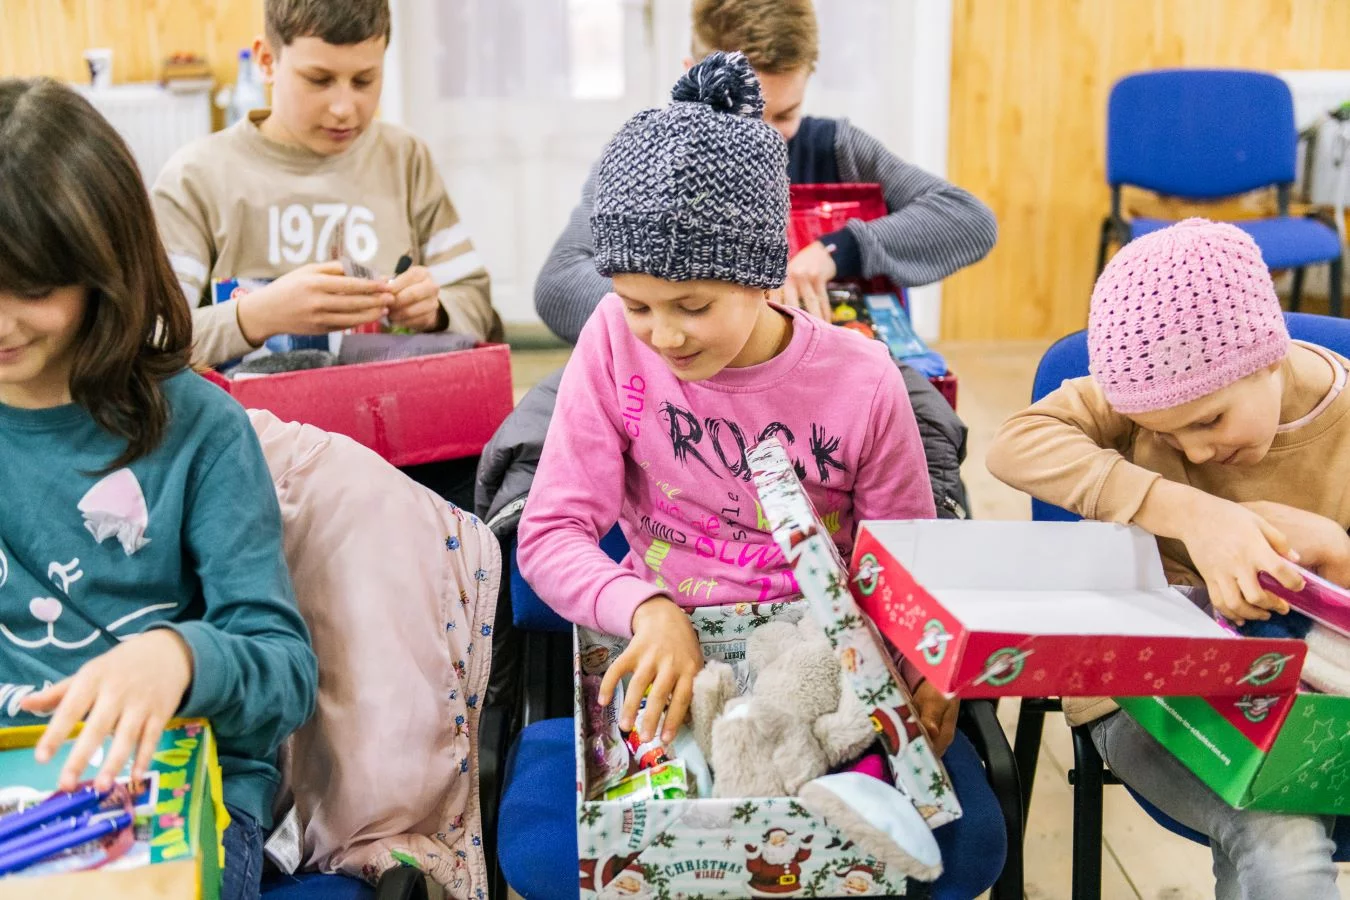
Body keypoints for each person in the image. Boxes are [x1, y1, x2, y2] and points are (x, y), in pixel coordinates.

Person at [518, 53, 1004, 900]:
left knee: (842, 834)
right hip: (672, 655)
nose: (663, 336)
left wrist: (924, 667)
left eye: (693, 306)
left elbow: (910, 564)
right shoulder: (609, 342)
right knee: (682, 841)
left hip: (825, 656)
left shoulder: (863, 381)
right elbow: (550, 534)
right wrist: (645, 607)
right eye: (637, 304)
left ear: (762, 272)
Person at [0, 77, 318, 900]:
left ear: (102, 269)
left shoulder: (201, 430)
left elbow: (285, 673)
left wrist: (179, 656)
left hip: (182, 787)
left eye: (31, 288)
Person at [988, 218, 1350, 900]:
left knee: (1278, 824)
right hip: (1142, 689)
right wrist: (1189, 512)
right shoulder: (1148, 391)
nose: (1198, 451)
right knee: (1279, 834)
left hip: (1318, 696)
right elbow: (1015, 445)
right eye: (1169, 436)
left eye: (1210, 421)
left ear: (1269, 354)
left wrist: (1337, 553)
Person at [534, 0, 997, 342]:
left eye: (785, 114)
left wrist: (837, 250)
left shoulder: (838, 149)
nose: (768, 139)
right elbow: (560, 284)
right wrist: (686, 311)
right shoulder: (646, 159)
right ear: (693, 75)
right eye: (746, 115)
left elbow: (967, 219)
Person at [152, 0, 501, 371]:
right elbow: (150, 336)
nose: (343, 109)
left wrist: (437, 311)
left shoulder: (405, 158)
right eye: (319, 80)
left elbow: (476, 304)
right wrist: (253, 316)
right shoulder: (196, 177)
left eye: (364, 81)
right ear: (267, 61)